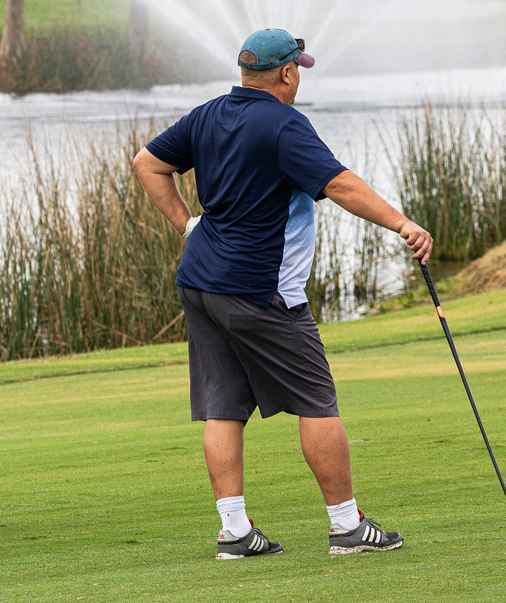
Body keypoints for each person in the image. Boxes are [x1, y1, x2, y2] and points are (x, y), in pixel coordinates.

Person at [132, 28, 434, 560]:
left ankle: (235, 533)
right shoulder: (284, 123)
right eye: (299, 70)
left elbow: (147, 163)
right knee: (317, 401)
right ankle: (346, 526)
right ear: (288, 73)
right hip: (260, 290)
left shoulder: (208, 114)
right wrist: (402, 224)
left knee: (223, 407)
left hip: (199, 283)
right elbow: (338, 184)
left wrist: (188, 227)